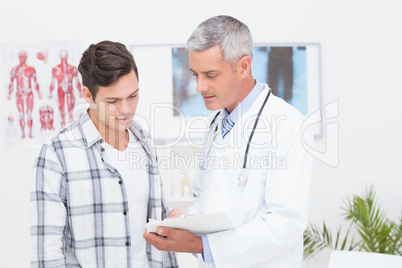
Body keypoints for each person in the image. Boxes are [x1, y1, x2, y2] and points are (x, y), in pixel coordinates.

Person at [143, 15, 314, 268]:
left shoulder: (288, 124)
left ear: (243, 66)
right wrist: (186, 221)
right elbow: (207, 198)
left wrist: (200, 245)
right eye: (195, 74)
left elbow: (284, 226)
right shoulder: (216, 124)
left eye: (210, 74)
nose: (200, 86)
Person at [30, 40, 178, 268]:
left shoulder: (145, 142)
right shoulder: (56, 153)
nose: (127, 109)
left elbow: (159, 231)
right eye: (113, 101)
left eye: (133, 96)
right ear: (88, 96)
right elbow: (47, 255)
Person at [8, 51, 43, 138]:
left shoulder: (31, 69)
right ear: (18, 58)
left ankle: (30, 133)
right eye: (21, 57)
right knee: (21, 114)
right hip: (19, 94)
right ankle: (23, 134)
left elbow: (35, 83)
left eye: (24, 57)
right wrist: (9, 94)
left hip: (29, 94)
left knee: (29, 113)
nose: (22, 58)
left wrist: (39, 93)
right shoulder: (14, 70)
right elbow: (11, 83)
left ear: (26, 57)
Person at [49, 49, 83, 127]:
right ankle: (62, 122)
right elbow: (52, 82)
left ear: (67, 57)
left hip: (70, 90)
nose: (63, 59)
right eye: (62, 57)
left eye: (65, 57)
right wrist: (50, 93)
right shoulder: (55, 69)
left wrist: (80, 92)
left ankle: (70, 122)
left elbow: (77, 81)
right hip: (60, 90)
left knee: (70, 106)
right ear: (60, 57)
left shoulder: (73, 68)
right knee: (61, 106)